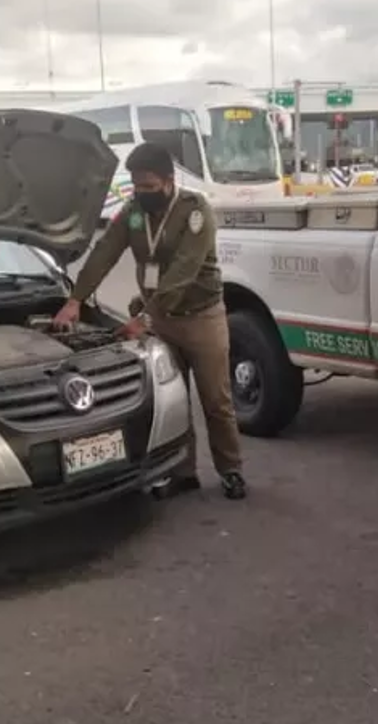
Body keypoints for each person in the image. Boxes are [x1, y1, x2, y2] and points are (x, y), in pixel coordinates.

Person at [52, 141, 247, 501]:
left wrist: (143, 318)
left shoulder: (195, 211)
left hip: (201, 317)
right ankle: (183, 471)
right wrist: (75, 300)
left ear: (169, 182)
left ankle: (230, 469)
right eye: (137, 186)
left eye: (149, 186)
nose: (142, 193)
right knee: (174, 399)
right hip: (159, 318)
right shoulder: (134, 213)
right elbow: (105, 252)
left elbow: (184, 271)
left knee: (216, 402)